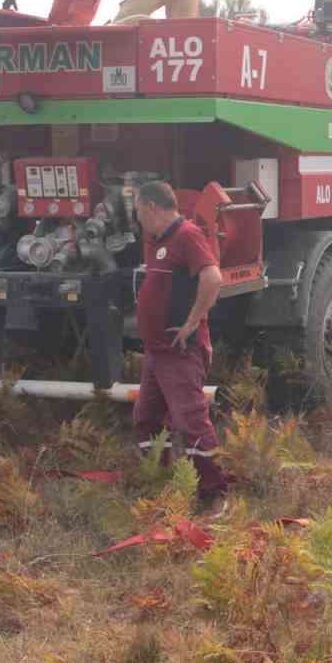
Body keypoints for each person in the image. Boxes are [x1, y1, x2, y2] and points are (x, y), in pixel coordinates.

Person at [132, 180, 229, 518]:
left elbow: (213, 278)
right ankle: (164, 484)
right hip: (157, 351)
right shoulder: (155, 240)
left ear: (150, 206)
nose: (137, 216)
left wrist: (191, 324)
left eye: (137, 208)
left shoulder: (187, 235)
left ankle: (214, 495)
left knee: (191, 423)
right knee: (146, 420)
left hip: (180, 352)